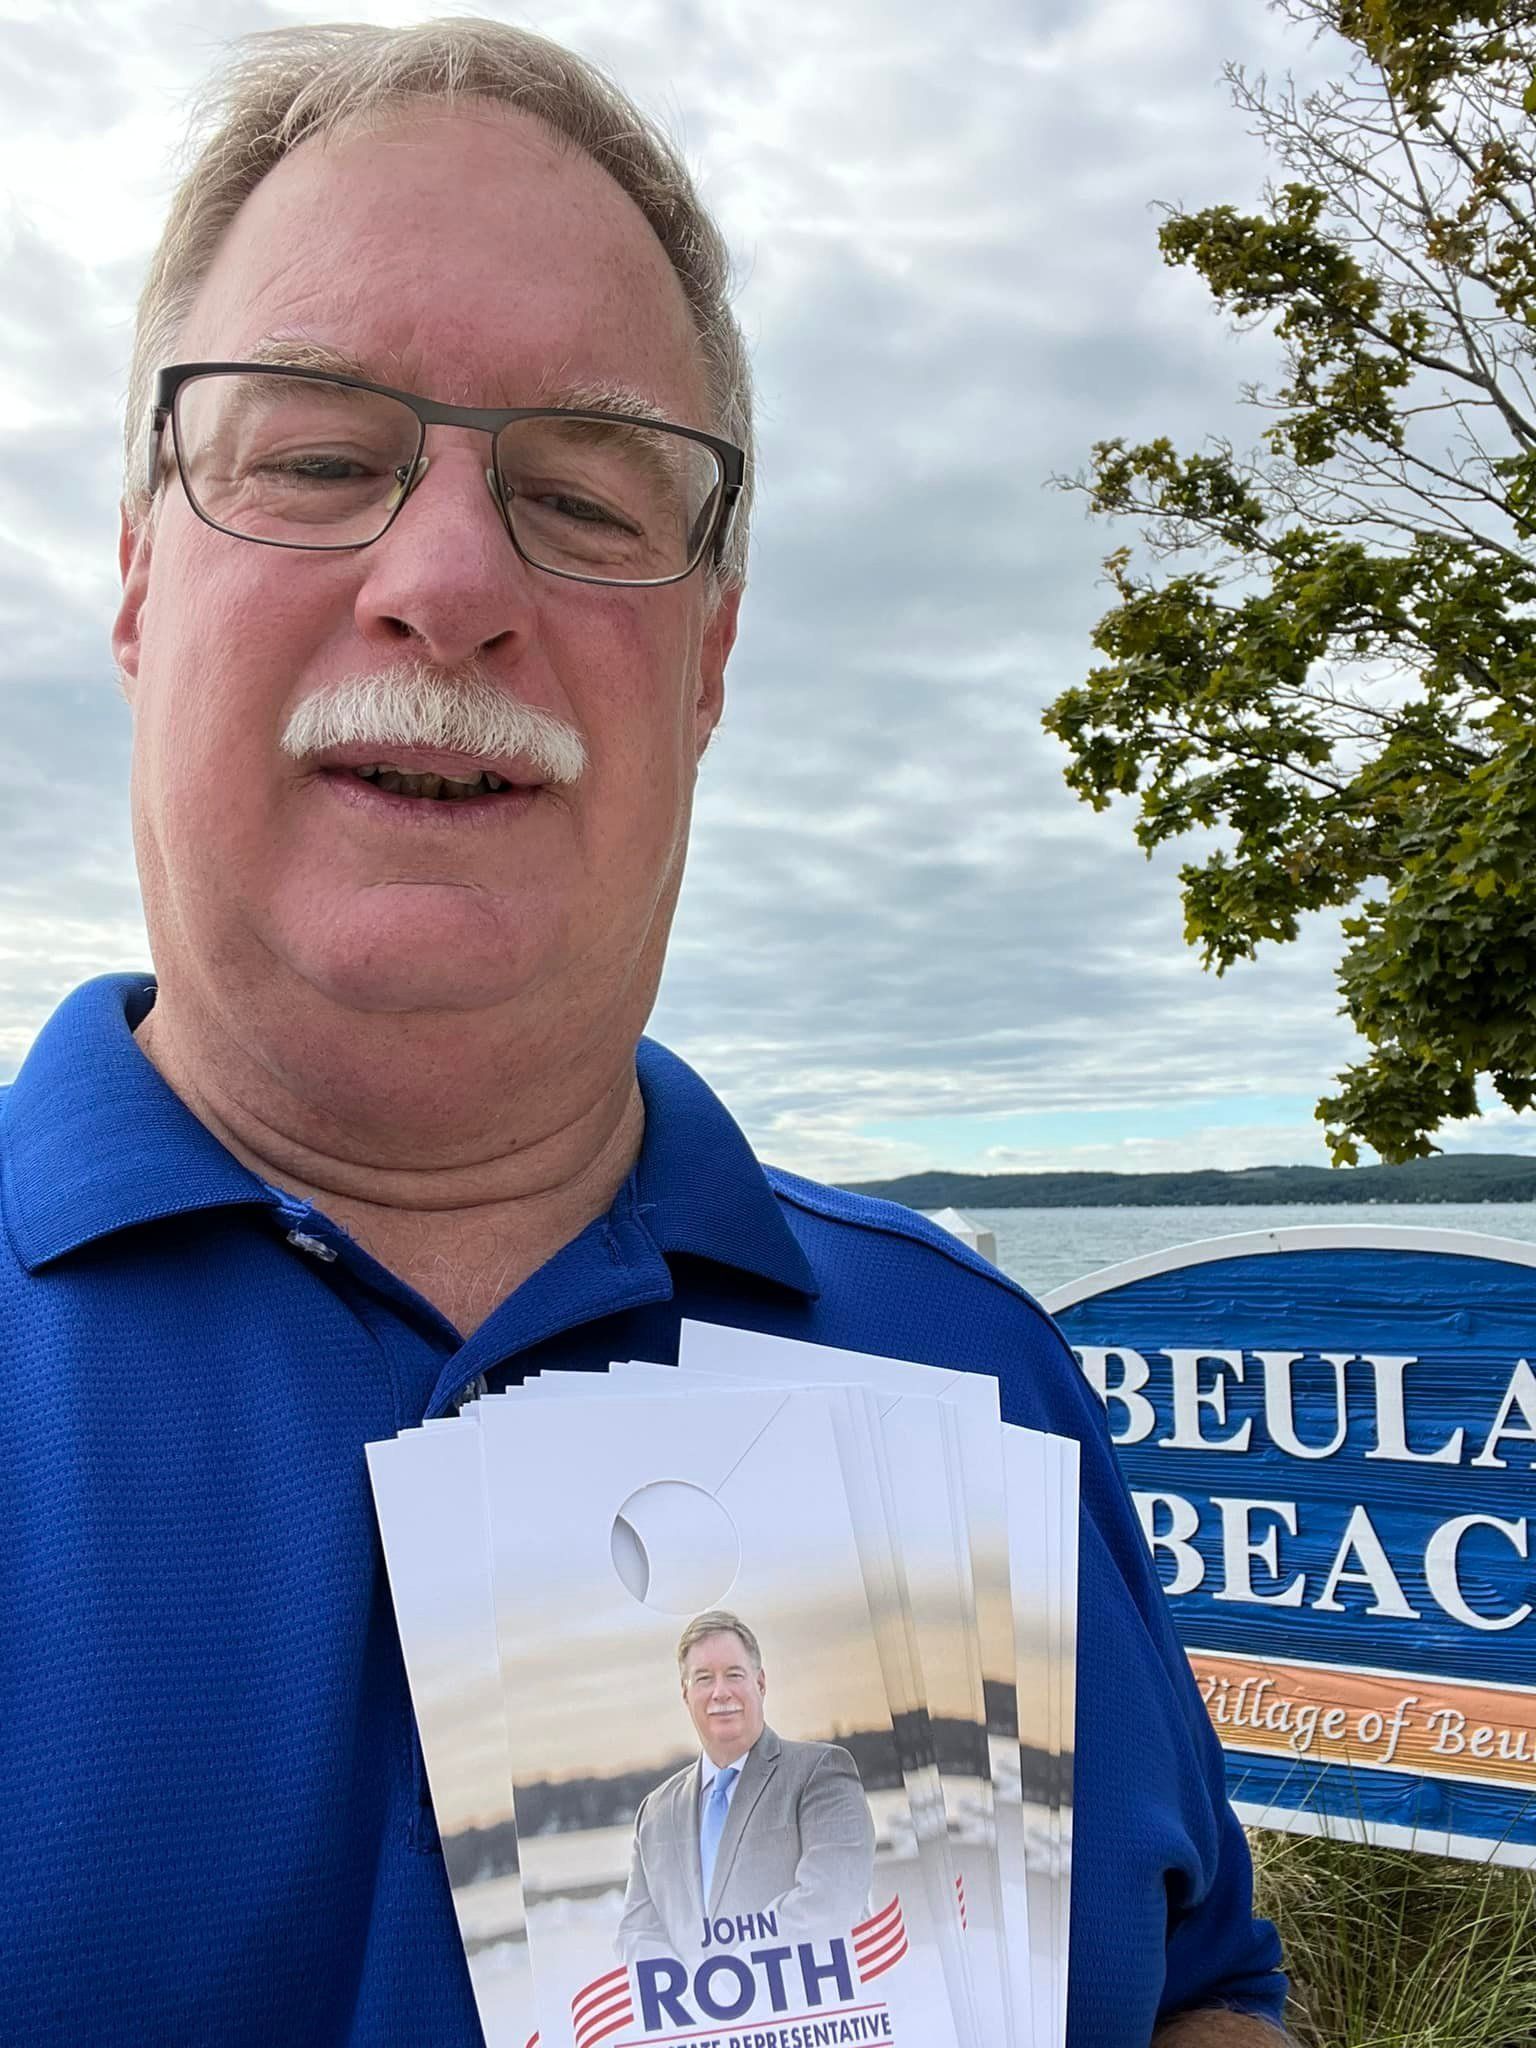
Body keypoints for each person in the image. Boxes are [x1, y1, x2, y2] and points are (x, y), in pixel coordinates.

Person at [0, 19, 1288, 2045]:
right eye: (318, 461)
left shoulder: (975, 1365)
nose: (446, 580)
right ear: (142, 580)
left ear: (709, 660)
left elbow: (1202, 1982)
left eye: (585, 497)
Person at [618, 1611, 877, 1961]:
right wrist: (684, 1988)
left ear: (761, 1683)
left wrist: (728, 1980)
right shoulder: (654, 1813)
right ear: (685, 1694)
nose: (720, 1692)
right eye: (704, 1678)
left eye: (734, 1675)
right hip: (693, 1999)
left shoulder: (821, 1773)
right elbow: (636, 1934)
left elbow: (830, 1900)